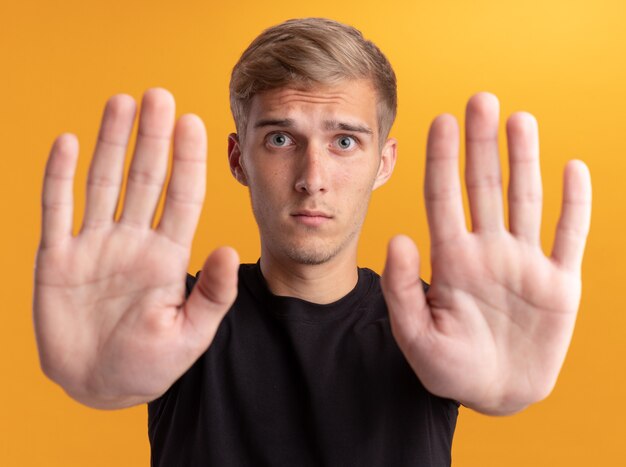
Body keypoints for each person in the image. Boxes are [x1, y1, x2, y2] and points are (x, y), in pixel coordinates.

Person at [33, 17, 592, 466]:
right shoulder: (160, 320)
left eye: (345, 140)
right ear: (238, 159)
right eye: (280, 138)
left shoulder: (445, 325)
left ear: (383, 162)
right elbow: (122, 366)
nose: (313, 176)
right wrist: (98, 385)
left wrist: (503, 392)